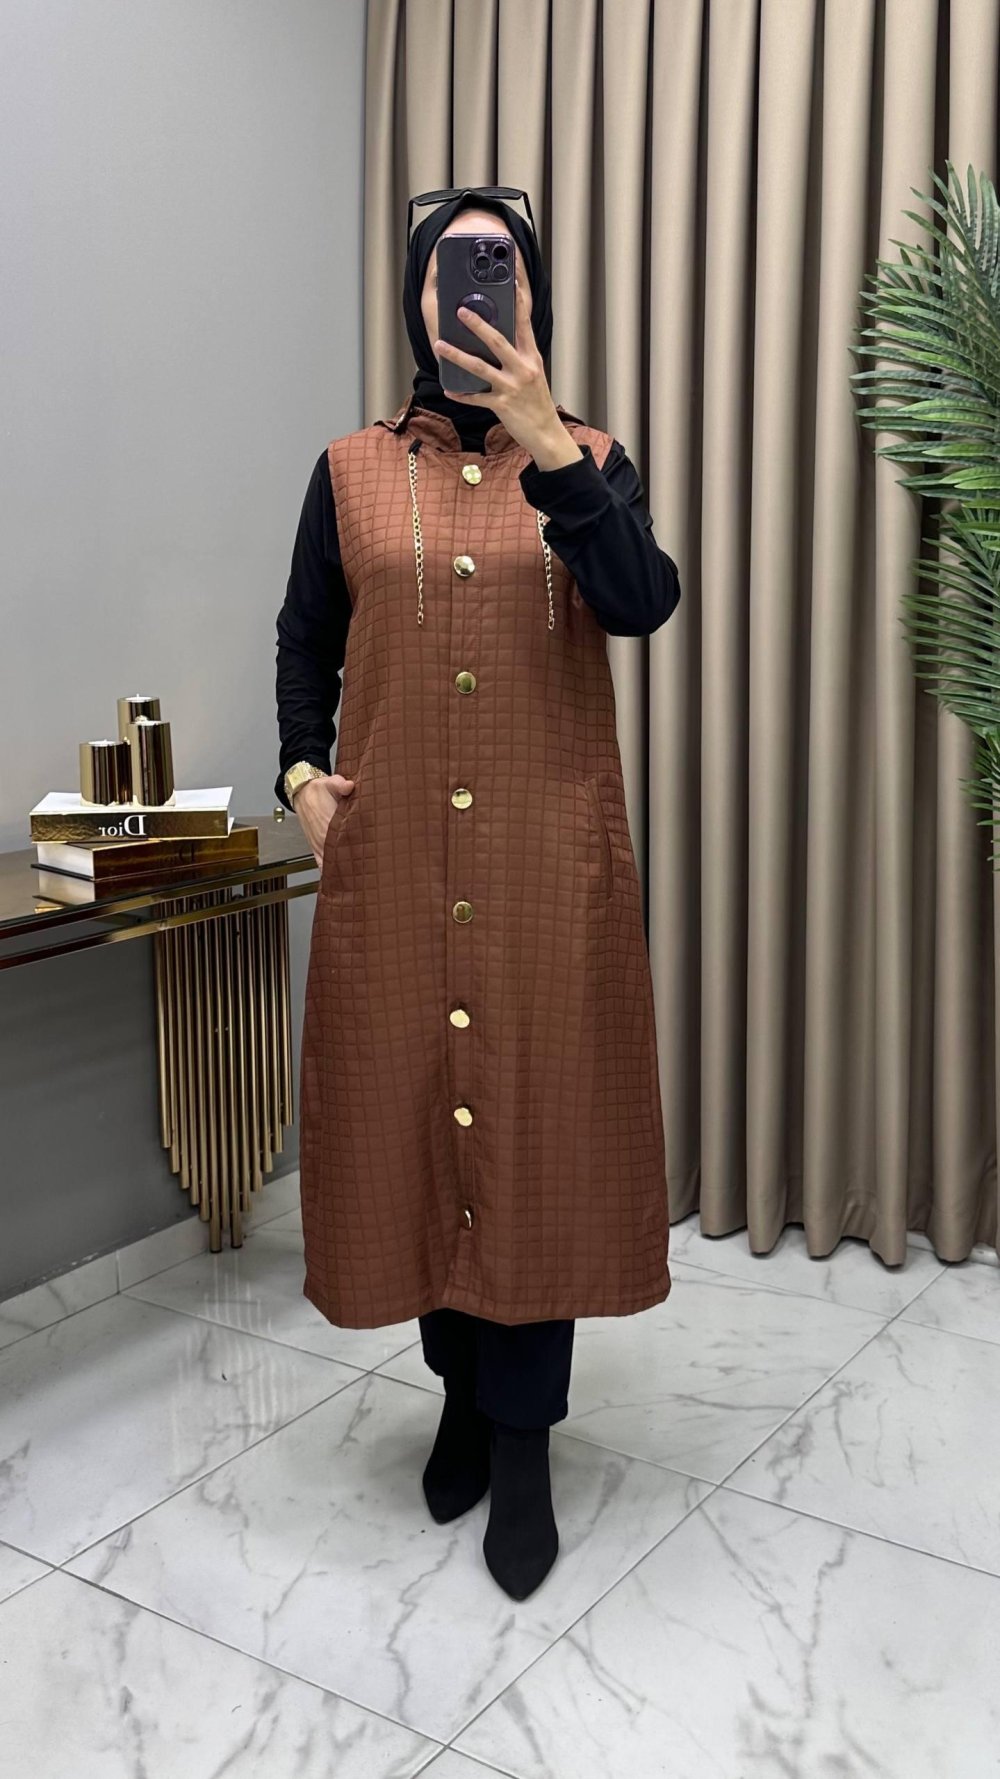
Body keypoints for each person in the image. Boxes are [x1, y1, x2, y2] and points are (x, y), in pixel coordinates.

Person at [273, 185, 680, 1601]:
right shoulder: (347, 471)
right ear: (416, 300)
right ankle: (458, 1396)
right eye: (451, 272)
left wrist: (552, 445)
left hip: (540, 869)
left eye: (497, 271)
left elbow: (641, 600)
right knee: (414, 1136)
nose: (474, 293)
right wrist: (302, 776)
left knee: (533, 1136)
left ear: (532, 298)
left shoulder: (590, 459)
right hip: (393, 864)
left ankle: (523, 1444)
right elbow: (304, 641)